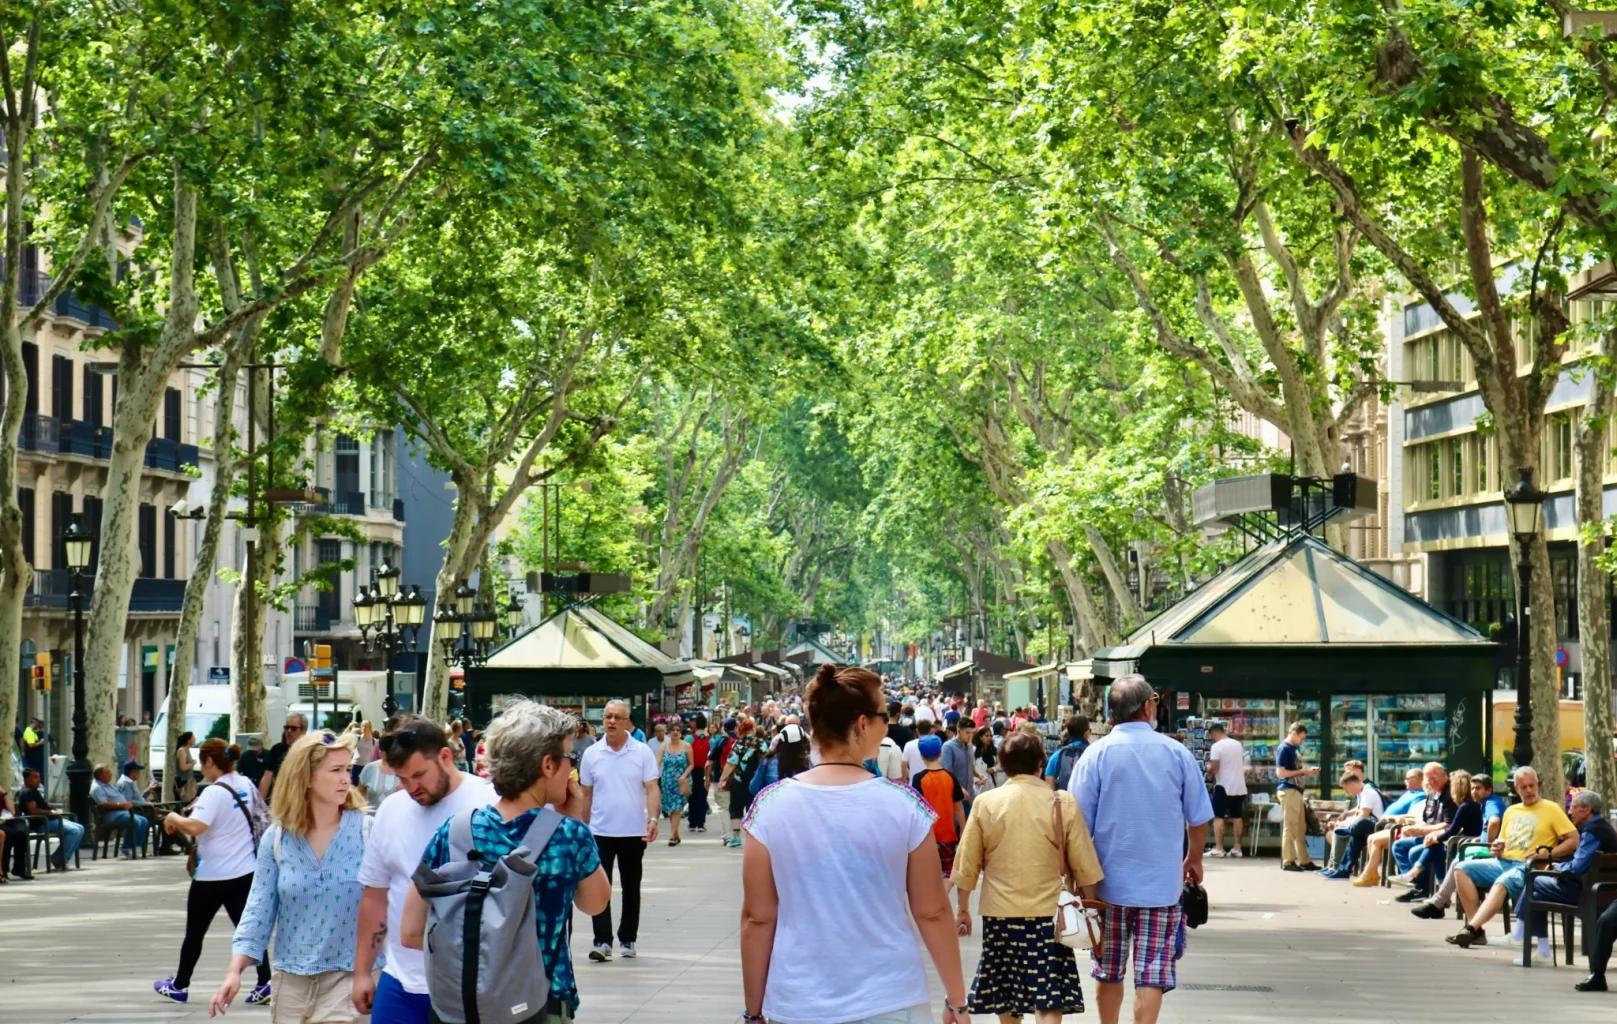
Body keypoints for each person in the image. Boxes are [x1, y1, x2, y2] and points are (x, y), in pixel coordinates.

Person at [740, 664, 969, 1024]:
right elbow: (933, 912)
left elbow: (758, 918)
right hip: (891, 1000)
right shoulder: (905, 806)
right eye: (882, 717)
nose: (886, 726)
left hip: (798, 1002)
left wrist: (753, 1012)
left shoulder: (769, 806)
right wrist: (957, 1001)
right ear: (863, 724)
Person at [401, 701, 611, 1023]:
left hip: (462, 1009)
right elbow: (595, 903)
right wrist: (575, 819)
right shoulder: (568, 836)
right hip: (541, 1007)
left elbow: (411, 931)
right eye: (570, 758)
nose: (572, 769)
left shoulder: (456, 831)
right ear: (548, 765)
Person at [1069, 674, 1213, 1024]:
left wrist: (1077, 880)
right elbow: (1198, 816)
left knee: (1108, 971)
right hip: (1162, 889)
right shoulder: (1176, 753)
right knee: (1152, 975)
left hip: (1107, 888)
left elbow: (1076, 824)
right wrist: (1194, 858)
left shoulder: (1095, 754)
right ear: (1148, 706)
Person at [210, 729, 369, 1020]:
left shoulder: (367, 832)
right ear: (306, 777)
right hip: (291, 984)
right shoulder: (277, 839)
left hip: (351, 979)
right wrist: (234, 972)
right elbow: (259, 909)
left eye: (348, 769)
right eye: (336, 770)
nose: (346, 779)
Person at [351, 715, 496, 1024]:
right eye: (402, 779)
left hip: (469, 984)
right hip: (399, 982)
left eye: (418, 775)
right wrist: (362, 972)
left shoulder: (489, 802)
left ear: (445, 756)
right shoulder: (391, 809)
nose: (411, 787)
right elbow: (376, 894)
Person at [955, 730, 1104, 1023]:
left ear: (1002, 764)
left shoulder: (986, 803)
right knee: (1048, 995)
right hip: (1051, 915)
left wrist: (962, 910)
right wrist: (1091, 908)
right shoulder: (1061, 802)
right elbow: (1085, 864)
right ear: (1040, 764)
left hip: (1000, 914)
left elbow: (966, 864)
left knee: (1007, 993)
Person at [154, 740, 273, 1004]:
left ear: (210, 761)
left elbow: (196, 826)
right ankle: (265, 982)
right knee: (248, 930)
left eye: (202, 762)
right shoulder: (245, 783)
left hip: (212, 876)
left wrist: (172, 818)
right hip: (245, 872)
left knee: (195, 933)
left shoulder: (213, 792)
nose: (201, 768)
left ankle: (180, 985)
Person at [1445, 766, 1578, 949]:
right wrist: (1497, 846)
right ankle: (1477, 931)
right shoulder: (1511, 811)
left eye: (1532, 785)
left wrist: (1548, 854)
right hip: (1502, 861)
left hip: (1529, 866)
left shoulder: (1551, 809)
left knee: (1503, 882)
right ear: (1516, 789)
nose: (1529, 790)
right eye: (1524, 787)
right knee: (1461, 868)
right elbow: (1502, 840)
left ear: (1538, 785)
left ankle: (1470, 929)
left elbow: (1574, 840)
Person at [578, 699, 660, 961]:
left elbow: (652, 788)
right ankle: (602, 940)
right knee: (599, 888)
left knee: (631, 886)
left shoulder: (642, 752)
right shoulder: (592, 754)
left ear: (627, 722)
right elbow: (586, 794)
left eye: (617, 717)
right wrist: (582, 827)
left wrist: (653, 819)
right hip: (599, 832)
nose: (611, 721)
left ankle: (628, 938)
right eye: (607, 717)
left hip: (633, 832)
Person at [1507, 789, 1617, 965]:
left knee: (1533, 879)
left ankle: (1519, 933)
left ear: (1587, 809)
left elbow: (1577, 867)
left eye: (1573, 807)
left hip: (1586, 895)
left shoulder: (1592, 832)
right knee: (1536, 894)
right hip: (1603, 893)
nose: (1570, 811)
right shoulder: (1605, 828)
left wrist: (1558, 868)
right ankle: (1542, 951)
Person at [1364, 762, 1455, 887]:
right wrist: (1415, 827)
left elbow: (1448, 825)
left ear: (1444, 776)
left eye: (1434, 778)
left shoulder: (1448, 796)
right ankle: (1413, 881)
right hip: (1427, 834)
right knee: (1398, 845)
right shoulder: (1432, 796)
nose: (1430, 783)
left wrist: (1419, 829)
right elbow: (1425, 820)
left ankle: (1419, 884)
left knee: (1415, 851)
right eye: (1428, 780)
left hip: (1441, 838)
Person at [1393, 769, 1479, 900]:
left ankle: (1417, 877)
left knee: (1434, 847)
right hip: (1460, 842)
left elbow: (1452, 830)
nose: (1450, 790)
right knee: (1433, 848)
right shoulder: (1465, 804)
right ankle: (1439, 891)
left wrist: (1435, 838)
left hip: (1464, 846)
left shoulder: (1466, 806)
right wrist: (1434, 837)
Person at [912, 734, 967, 878]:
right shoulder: (950, 776)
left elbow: (916, 808)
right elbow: (959, 807)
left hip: (926, 835)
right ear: (941, 753)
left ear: (921, 756)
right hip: (948, 834)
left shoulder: (918, 778)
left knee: (928, 874)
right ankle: (944, 891)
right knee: (948, 873)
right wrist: (963, 828)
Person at [1319, 772, 1385, 879]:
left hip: (1377, 827)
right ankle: (1343, 870)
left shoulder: (1368, 793)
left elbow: (1364, 815)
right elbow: (1359, 812)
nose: (1347, 793)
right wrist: (1344, 821)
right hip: (1366, 828)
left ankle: (1347, 830)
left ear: (1352, 784)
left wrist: (1344, 824)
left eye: (1346, 789)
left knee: (1357, 825)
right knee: (1355, 838)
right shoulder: (1362, 793)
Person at [1274, 721, 1320, 871]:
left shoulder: (1293, 748)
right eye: (1301, 737)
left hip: (1296, 791)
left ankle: (1304, 860)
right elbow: (1280, 773)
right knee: (1291, 826)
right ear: (1293, 733)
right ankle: (1288, 861)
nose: (1302, 741)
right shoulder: (1284, 748)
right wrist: (1302, 771)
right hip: (1289, 790)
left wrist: (1307, 771)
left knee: (1300, 828)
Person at [17, 767, 82, 870]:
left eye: (39, 777)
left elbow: (38, 805)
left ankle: (60, 858)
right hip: (42, 823)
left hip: (50, 820)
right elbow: (33, 811)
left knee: (80, 828)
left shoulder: (33, 791)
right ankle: (58, 859)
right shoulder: (28, 792)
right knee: (74, 831)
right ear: (27, 779)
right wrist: (50, 812)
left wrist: (48, 806)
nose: (39, 780)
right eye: (35, 777)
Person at [718, 719, 766, 849]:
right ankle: (753, 838)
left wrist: (722, 779)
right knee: (754, 809)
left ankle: (736, 837)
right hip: (755, 781)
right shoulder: (761, 743)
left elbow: (731, 763)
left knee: (736, 808)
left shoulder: (737, 743)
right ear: (753, 728)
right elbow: (765, 762)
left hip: (738, 781)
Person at [90, 763, 149, 859]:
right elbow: (103, 804)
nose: (111, 774)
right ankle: (126, 847)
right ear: (101, 776)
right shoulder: (97, 788)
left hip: (122, 812)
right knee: (136, 821)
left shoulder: (108, 785)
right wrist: (121, 805)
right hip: (112, 815)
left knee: (144, 821)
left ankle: (134, 846)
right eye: (108, 773)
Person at [1204, 722, 1246, 857]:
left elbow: (1214, 768)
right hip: (1239, 786)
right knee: (1237, 817)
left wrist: (1207, 768)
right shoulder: (1237, 744)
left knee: (1218, 816)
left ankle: (1219, 848)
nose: (1212, 739)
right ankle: (1237, 848)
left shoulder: (1217, 746)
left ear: (1214, 734)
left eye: (1211, 736)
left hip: (1223, 785)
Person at [259, 714, 308, 802]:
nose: (289, 731)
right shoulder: (277, 749)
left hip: (302, 798)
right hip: (281, 799)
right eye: (286, 728)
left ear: (303, 730)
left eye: (293, 728)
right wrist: (259, 802)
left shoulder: (309, 750)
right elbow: (267, 776)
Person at [658, 719, 692, 846]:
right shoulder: (664, 746)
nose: (675, 732)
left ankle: (672, 836)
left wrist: (684, 775)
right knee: (671, 809)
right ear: (669, 732)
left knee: (677, 808)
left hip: (681, 781)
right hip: (667, 781)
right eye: (673, 730)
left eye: (678, 730)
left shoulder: (686, 746)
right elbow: (657, 761)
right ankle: (676, 834)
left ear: (681, 732)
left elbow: (691, 764)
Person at [752, 723, 813, 792]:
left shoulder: (769, 760)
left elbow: (754, 787)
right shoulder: (810, 762)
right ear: (803, 742)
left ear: (780, 741)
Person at [941, 718, 977, 818]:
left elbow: (970, 766)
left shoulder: (970, 746)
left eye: (972, 733)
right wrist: (959, 788)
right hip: (956, 795)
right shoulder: (948, 747)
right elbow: (947, 773)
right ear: (959, 731)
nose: (970, 736)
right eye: (967, 733)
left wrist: (979, 775)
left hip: (970, 793)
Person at [1045, 716, 1092, 793]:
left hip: (1064, 798)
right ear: (1087, 733)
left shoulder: (1058, 754)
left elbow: (1049, 784)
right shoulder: (1093, 753)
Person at [687, 714, 711, 833]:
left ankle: (692, 823)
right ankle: (701, 824)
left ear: (696, 724)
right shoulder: (711, 739)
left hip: (692, 770)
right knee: (702, 796)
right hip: (706, 770)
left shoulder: (689, 738)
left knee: (692, 796)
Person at [175, 731, 199, 802]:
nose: (195, 739)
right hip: (183, 781)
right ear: (188, 740)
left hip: (188, 780)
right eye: (193, 738)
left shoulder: (187, 750)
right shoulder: (182, 751)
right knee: (184, 801)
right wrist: (192, 764)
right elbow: (183, 767)